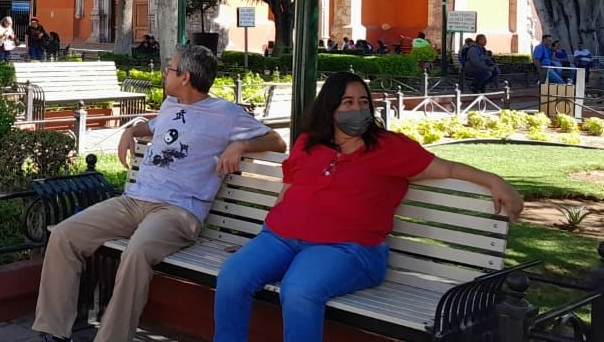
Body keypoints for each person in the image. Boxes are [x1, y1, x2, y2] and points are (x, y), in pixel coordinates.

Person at [212, 71, 523, 342]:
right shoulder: (309, 142)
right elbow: (288, 192)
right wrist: (261, 243)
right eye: (347, 102)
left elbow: (449, 168)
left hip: (347, 249)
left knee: (299, 290)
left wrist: (494, 180)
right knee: (233, 276)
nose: (357, 109)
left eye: (363, 102)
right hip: (280, 238)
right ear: (329, 107)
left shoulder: (390, 147)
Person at [33, 45, 286, 342]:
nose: (165, 73)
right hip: (133, 201)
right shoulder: (170, 104)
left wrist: (240, 145)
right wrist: (131, 131)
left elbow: (277, 141)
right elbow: (153, 127)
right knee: (65, 235)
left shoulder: (226, 114)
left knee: (136, 252)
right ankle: (53, 332)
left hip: (177, 212)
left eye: (170, 68)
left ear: (185, 77)